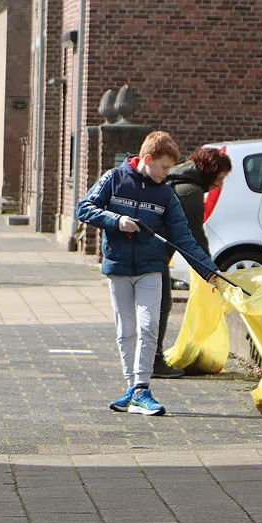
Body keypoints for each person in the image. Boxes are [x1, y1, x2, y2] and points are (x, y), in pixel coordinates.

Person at [76, 131, 221, 416]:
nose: (167, 173)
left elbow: (184, 237)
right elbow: (85, 208)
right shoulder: (113, 179)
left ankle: (142, 388)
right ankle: (131, 388)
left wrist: (209, 271)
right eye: (164, 167)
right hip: (118, 267)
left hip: (152, 268)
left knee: (149, 325)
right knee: (126, 329)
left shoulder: (165, 193)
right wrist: (117, 220)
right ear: (148, 159)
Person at [151, 146, 234, 379]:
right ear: (210, 171)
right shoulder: (190, 191)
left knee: (151, 306)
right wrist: (209, 273)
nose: (220, 184)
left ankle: (146, 359)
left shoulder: (177, 178)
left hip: (149, 251)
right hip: (154, 255)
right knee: (161, 305)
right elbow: (194, 238)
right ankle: (153, 361)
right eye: (220, 178)